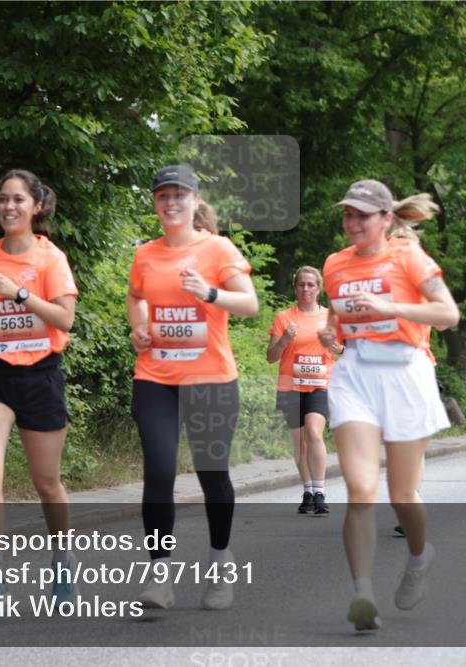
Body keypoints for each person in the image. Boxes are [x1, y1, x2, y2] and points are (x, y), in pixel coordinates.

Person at [317, 179, 459, 631]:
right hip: (355, 375)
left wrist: (389, 306)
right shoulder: (334, 264)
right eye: (348, 214)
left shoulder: (408, 256)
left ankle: (419, 557)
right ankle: (363, 594)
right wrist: (330, 335)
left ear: (385, 219)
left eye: (362, 215)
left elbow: (448, 313)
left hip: (404, 374)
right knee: (360, 490)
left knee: (402, 496)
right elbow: (336, 318)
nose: (353, 222)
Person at [127, 165, 258, 610]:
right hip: (155, 378)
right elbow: (135, 295)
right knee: (159, 472)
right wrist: (139, 327)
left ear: (194, 201)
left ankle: (221, 563)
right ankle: (159, 576)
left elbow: (251, 304)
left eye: (179, 195)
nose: (170, 202)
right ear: (156, 203)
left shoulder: (218, 249)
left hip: (211, 380)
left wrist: (209, 293)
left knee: (211, 474)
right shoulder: (145, 253)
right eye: (163, 195)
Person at [0, 169, 78, 607]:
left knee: (47, 483)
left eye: (17, 200)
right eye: (2, 199)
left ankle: (62, 559)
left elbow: (64, 320)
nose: (8, 207)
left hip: (41, 375)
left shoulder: (51, 260)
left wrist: (18, 293)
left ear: (36, 207)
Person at [268, 266, 341, 514]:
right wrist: (284, 340)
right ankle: (308, 491)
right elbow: (271, 356)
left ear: (319, 288)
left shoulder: (331, 316)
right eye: (301, 284)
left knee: (313, 433)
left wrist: (337, 347)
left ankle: (319, 492)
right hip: (291, 387)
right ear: (295, 287)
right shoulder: (284, 317)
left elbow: (344, 348)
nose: (306, 289)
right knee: (300, 444)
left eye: (311, 284)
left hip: (320, 385)